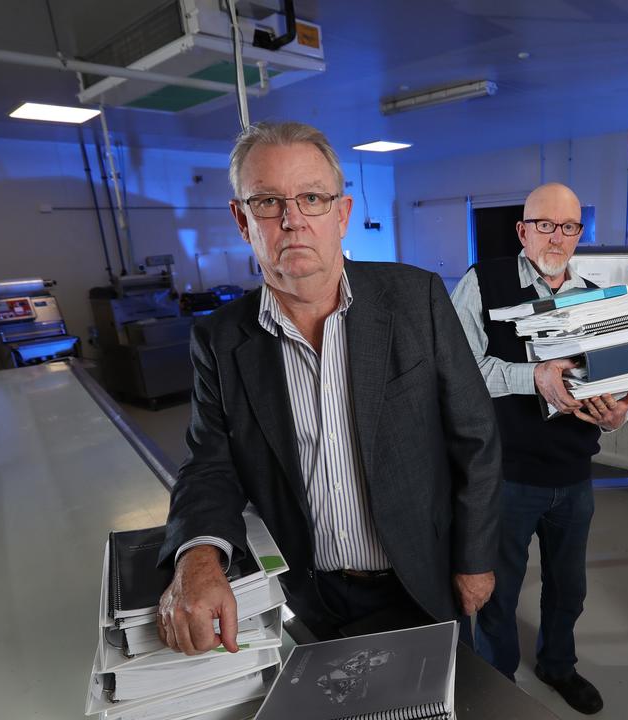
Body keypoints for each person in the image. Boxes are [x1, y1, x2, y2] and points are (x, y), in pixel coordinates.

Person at [155, 120, 501, 653]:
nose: (292, 221)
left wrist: (475, 559)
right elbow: (210, 464)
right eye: (267, 202)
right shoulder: (220, 339)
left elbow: (475, 437)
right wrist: (197, 556)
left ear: (341, 214)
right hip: (308, 593)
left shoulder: (417, 300)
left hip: (423, 578)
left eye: (312, 198)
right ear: (241, 220)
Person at [450, 182, 628, 715]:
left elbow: (615, 380)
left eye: (569, 227)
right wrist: (531, 375)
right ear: (522, 230)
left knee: (568, 589)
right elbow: (460, 374)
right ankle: (497, 682)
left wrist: (621, 410)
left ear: (581, 232)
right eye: (545, 225)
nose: (557, 237)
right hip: (505, 474)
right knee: (497, 593)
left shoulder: (596, 294)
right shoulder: (482, 284)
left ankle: (558, 665)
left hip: (575, 474)